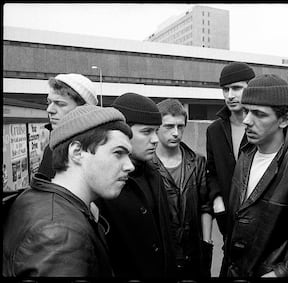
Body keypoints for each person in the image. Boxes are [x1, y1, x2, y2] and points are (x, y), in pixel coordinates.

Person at [3, 105, 134, 276]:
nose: (130, 166)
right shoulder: (60, 233)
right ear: (77, 152)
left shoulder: (37, 196)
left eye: (129, 155)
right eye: (118, 153)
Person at [220, 74, 288, 277]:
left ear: (284, 119)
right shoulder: (246, 154)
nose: (246, 120)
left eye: (258, 114)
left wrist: (279, 274)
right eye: (246, 111)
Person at [95, 93, 177, 278]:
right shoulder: (104, 184)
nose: (155, 139)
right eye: (147, 132)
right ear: (123, 133)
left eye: (156, 131)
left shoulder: (154, 174)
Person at [152, 99, 213, 278]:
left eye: (180, 126)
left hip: (193, 252)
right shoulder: (146, 165)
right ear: (157, 127)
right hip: (162, 253)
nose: (176, 133)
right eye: (169, 126)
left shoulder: (197, 162)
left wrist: (206, 242)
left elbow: (205, 206)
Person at [206, 62, 255, 236]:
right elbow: (211, 171)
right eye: (225, 89)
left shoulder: (262, 126)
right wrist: (217, 201)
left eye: (237, 88)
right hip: (227, 219)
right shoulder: (214, 130)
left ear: (250, 88)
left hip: (258, 221)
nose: (230, 95)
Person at [38, 73, 98, 180]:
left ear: (84, 109)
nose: (49, 110)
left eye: (60, 104)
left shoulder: (98, 149)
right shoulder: (52, 147)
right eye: (49, 102)